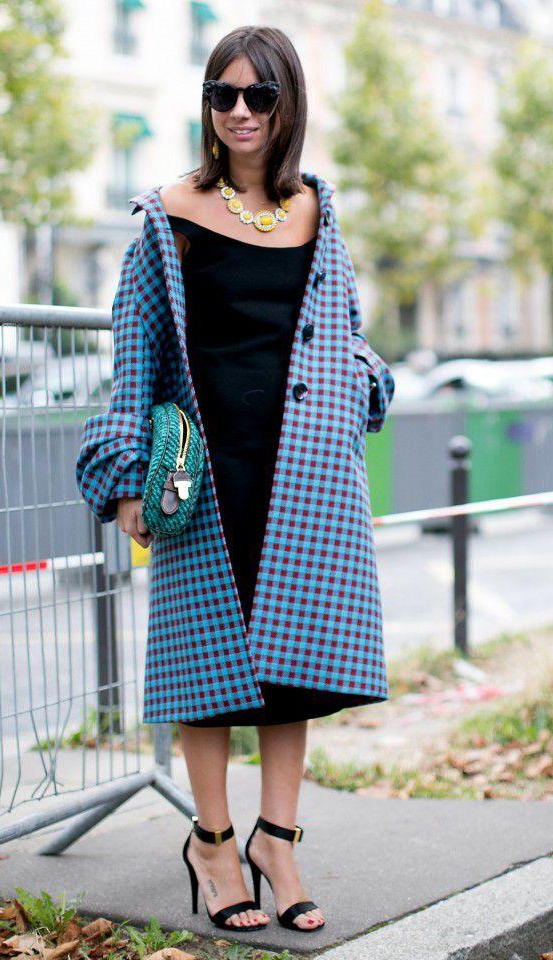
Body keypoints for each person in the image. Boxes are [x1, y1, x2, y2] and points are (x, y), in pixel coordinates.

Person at [77, 23, 395, 937]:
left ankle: (277, 843)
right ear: (207, 104)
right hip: (201, 477)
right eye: (224, 94)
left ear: (289, 103)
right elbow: (134, 360)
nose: (242, 111)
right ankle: (213, 844)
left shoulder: (318, 212)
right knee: (201, 665)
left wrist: (358, 381)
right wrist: (126, 481)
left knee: (298, 667)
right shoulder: (167, 218)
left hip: (306, 474)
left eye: (261, 94)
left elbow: (346, 332)